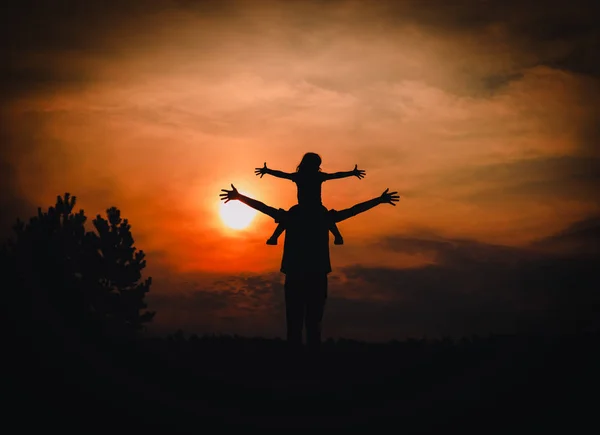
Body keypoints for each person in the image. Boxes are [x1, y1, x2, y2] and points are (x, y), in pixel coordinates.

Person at [219, 184, 399, 351]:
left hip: (299, 273)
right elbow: (352, 211)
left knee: (296, 323)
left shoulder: (296, 215)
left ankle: (300, 364)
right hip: (315, 273)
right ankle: (309, 364)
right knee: (312, 323)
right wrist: (378, 200)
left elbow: (265, 208)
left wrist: (239, 197)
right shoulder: (321, 215)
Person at [254, 152, 366, 245]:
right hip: (313, 207)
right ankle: (338, 236)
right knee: (325, 217)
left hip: (309, 207)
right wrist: (352, 173)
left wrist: (268, 171)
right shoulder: (315, 176)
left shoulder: (301, 176)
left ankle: (274, 237)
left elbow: (283, 174)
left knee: (291, 216)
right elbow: (336, 175)